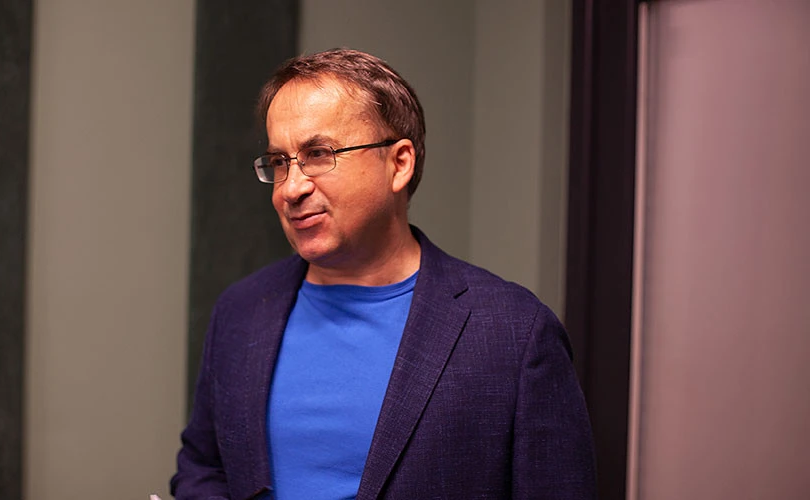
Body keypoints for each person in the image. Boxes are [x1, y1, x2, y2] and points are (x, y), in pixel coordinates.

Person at [171, 48, 595, 499]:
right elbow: (203, 467)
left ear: (399, 163)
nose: (290, 188)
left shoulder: (513, 333)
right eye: (279, 162)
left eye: (318, 154)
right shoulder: (241, 311)